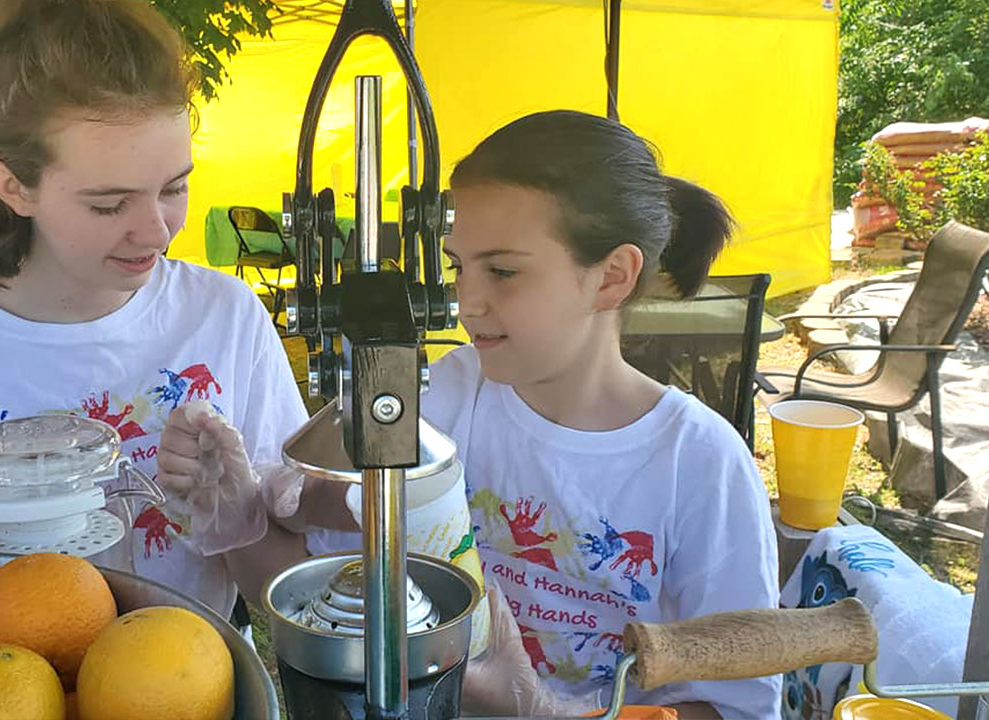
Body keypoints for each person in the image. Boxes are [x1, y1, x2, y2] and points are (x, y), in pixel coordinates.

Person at [258, 110, 779, 717]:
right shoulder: (453, 394)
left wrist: (543, 712)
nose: (465, 302)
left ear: (611, 277)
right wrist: (266, 498)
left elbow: (735, 704)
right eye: (458, 267)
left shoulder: (698, 462)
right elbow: (331, 533)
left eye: (502, 271)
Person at [0, 0, 308, 620]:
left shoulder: (226, 317)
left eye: (174, 187)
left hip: (195, 682)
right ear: (12, 187)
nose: (156, 232)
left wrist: (236, 517)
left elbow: (289, 598)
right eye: (108, 204)